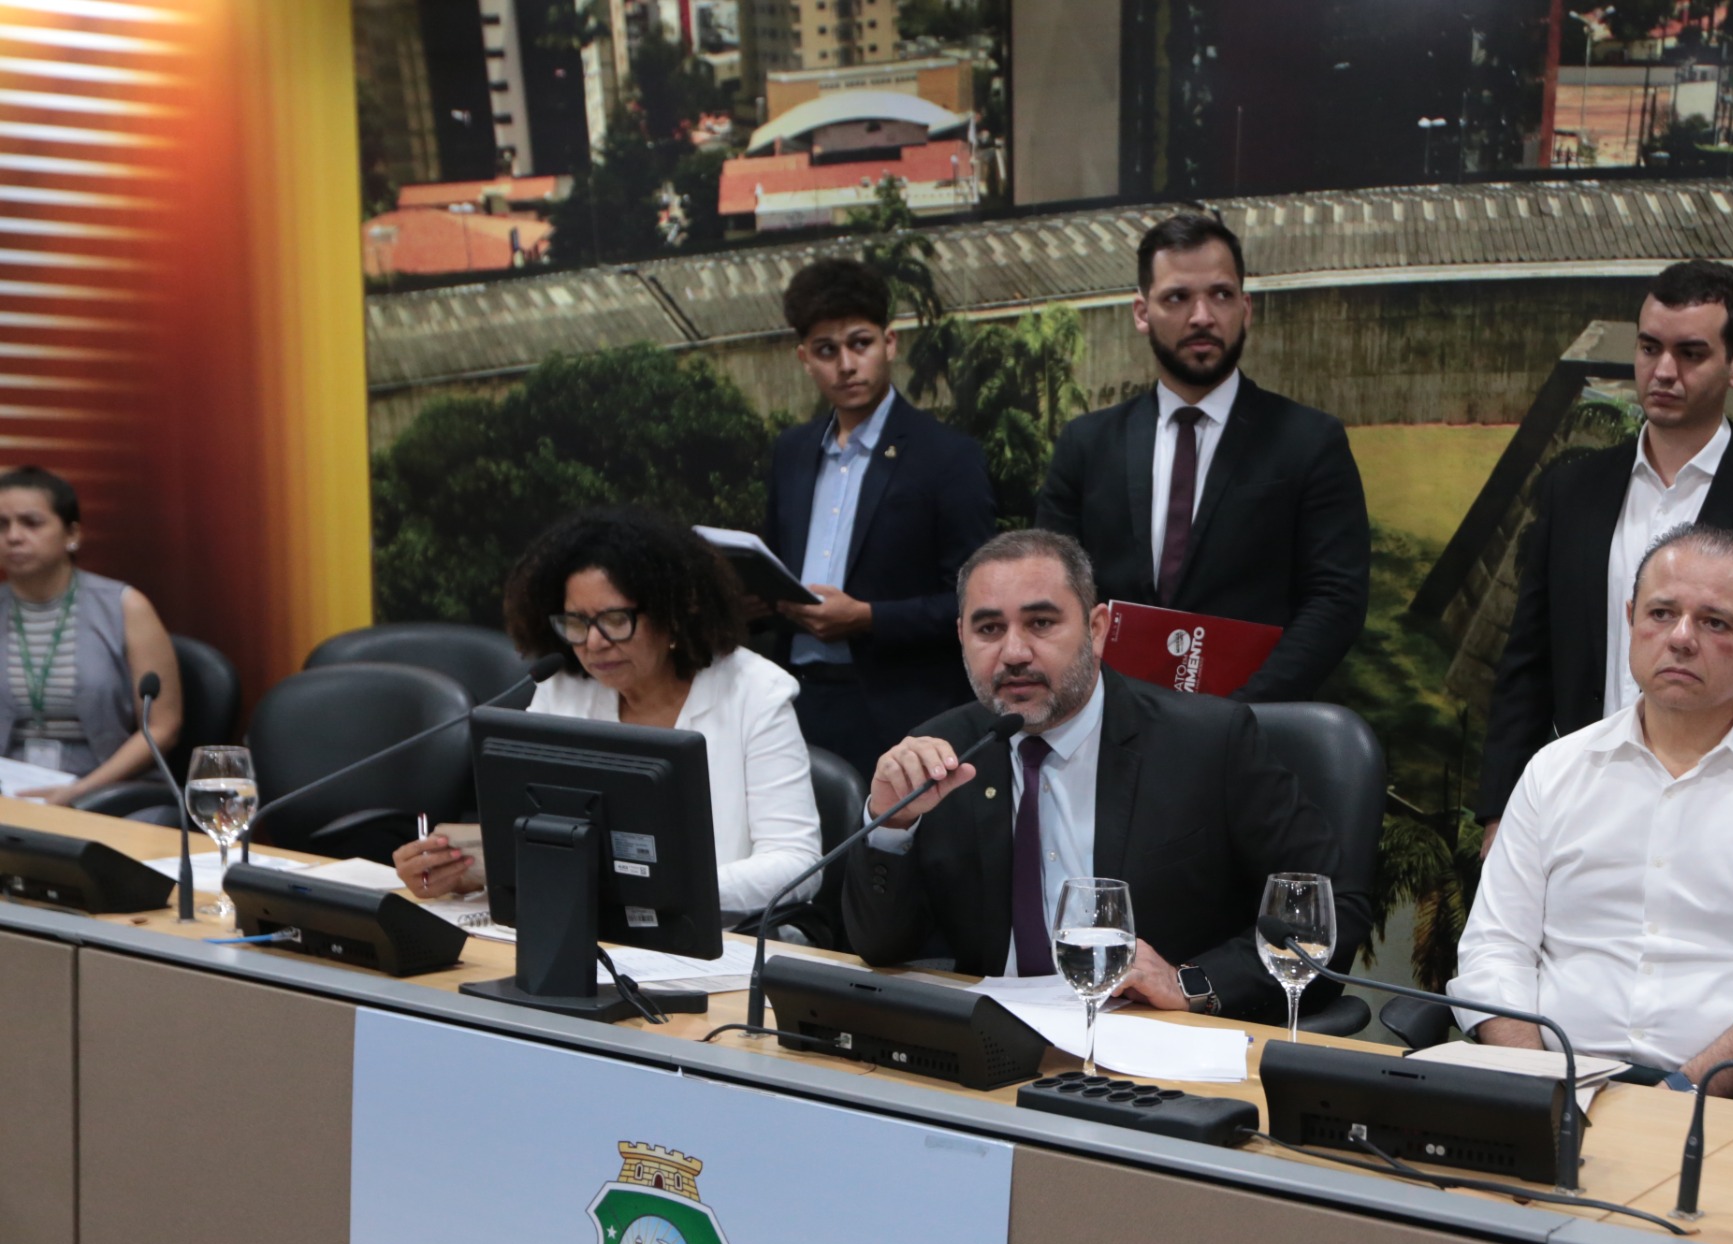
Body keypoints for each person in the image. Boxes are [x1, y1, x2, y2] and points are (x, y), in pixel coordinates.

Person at [843, 529, 1371, 1025]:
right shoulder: (943, 754)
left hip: (1156, 1039)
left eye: (1041, 623)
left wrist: (1191, 983)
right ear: (961, 636)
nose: (1014, 653)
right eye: (989, 629)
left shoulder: (1208, 743)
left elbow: (1331, 912)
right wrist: (892, 824)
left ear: (1097, 630)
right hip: (990, 1039)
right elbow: (881, 948)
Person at [1449, 525, 1733, 1094]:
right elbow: (1495, 951)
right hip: (1546, 1080)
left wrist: (1677, 1097)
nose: (1681, 638)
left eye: (1715, 622)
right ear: (1630, 618)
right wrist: (1536, 1086)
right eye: (1661, 614)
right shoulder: (1556, 769)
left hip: (1726, 1103)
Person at [1475, 259, 1733, 830]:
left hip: (1722, 815)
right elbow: (1529, 662)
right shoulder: (1574, 488)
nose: (1663, 371)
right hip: (1575, 803)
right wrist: (1500, 814)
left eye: (1691, 353)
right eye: (1649, 348)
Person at [393, 508, 821, 916]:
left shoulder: (756, 693)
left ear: (673, 614)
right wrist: (463, 874)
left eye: (615, 620)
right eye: (576, 623)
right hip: (589, 928)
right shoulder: (563, 688)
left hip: (725, 936)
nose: (594, 643)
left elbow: (797, 863)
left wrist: (665, 890)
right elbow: (536, 836)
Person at [1032, 212, 1370, 703]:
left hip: (1256, 722)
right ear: (1141, 312)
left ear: (1246, 308)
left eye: (1221, 294)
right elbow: (1050, 589)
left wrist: (1237, 714)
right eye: (1177, 297)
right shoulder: (1086, 444)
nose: (1202, 317)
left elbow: (1336, 601)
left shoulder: (1310, 441)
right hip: (1111, 719)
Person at [762, 256, 997, 778]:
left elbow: (973, 600)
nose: (846, 364)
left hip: (899, 709)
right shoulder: (792, 451)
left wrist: (866, 617)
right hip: (794, 699)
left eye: (860, 343)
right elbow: (776, 563)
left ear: (889, 342)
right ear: (804, 358)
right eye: (827, 350)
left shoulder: (947, 457)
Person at [0, 466, 181, 806]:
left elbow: (163, 727)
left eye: (31, 523)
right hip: (11, 792)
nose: (13, 536)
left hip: (109, 789)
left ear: (72, 534)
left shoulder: (125, 606)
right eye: (2, 525)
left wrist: (79, 793)